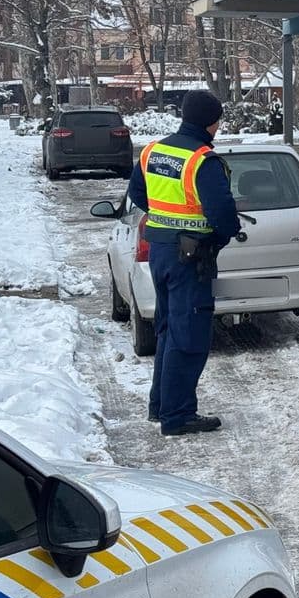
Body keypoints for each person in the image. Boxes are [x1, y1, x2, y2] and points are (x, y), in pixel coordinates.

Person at [128, 90, 241, 436]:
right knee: (188, 335)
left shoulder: (153, 151)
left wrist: (166, 222)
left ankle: (161, 405)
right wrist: (218, 239)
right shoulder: (202, 160)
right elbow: (223, 214)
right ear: (212, 122)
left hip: (161, 253)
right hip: (189, 259)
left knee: (167, 330)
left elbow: (137, 194)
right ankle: (177, 416)